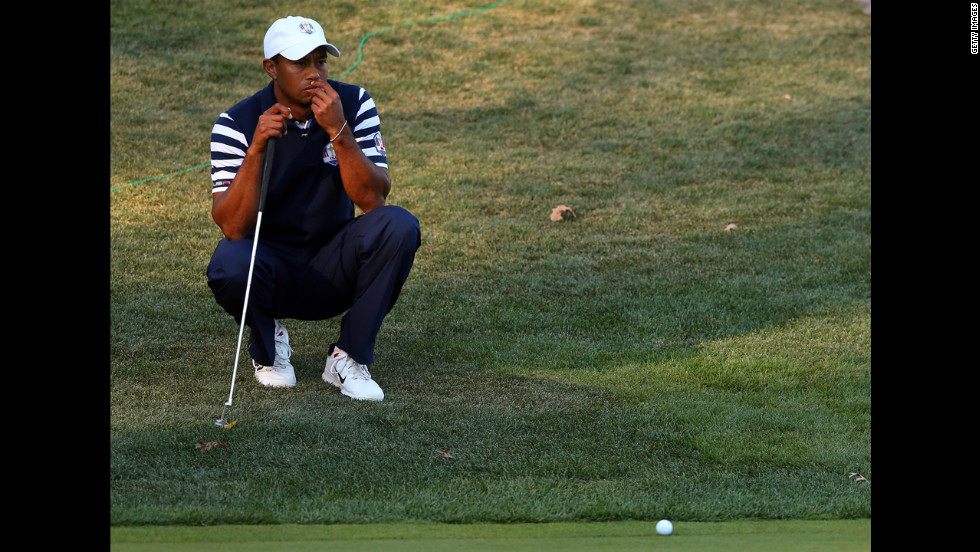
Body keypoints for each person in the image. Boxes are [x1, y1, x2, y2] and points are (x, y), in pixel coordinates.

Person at [206, 16, 420, 402]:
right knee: (229, 263)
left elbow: (373, 201)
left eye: (320, 61)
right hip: (270, 265)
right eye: (300, 63)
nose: (314, 73)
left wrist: (339, 131)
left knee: (399, 225)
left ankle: (348, 357)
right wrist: (255, 150)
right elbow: (232, 227)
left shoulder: (353, 104)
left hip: (334, 262)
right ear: (271, 67)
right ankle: (269, 346)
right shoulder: (234, 124)